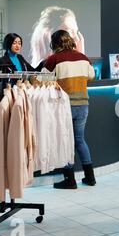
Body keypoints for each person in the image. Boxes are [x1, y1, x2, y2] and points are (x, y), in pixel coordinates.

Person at [43, 30, 95, 189]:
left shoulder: (53, 60)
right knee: (80, 140)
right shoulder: (83, 58)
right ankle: (90, 177)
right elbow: (91, 75)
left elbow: (42, 80)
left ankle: (70, 179)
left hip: (64, 107)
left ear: (55, 43)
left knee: (66, 142)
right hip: (83, 105)